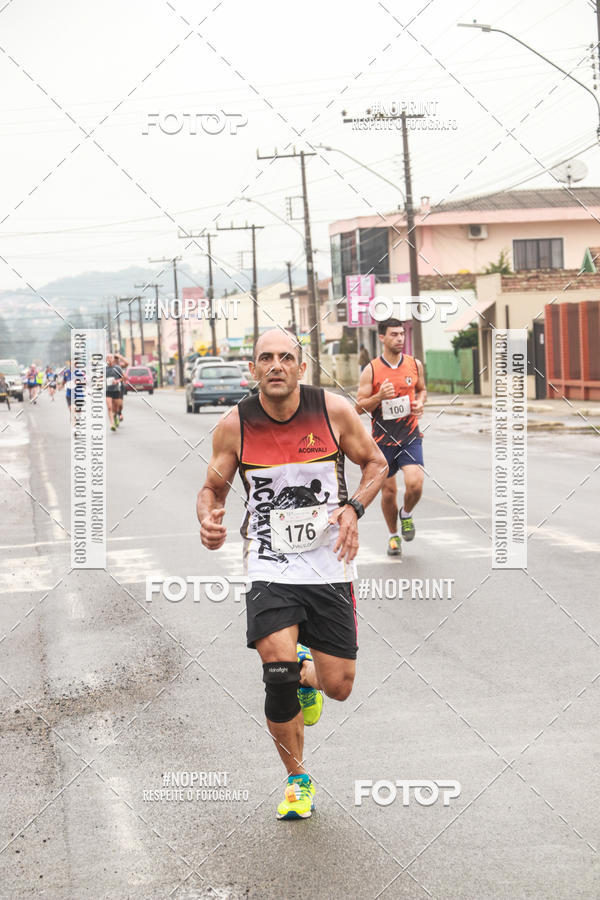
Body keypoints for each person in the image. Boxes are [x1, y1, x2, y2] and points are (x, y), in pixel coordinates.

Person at [198, 328, 387, 821]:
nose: (276, 365)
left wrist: (354, 508)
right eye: (266, 358)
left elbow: (376, 463)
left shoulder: (333, 412)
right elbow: (212, 489)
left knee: (339, 685)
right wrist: (208, 517)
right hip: (269, 563)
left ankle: (309, 675)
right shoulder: (234, 426)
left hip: (328, 563)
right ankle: (297, 780)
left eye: (286, 357)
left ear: (302, 368)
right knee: (275, 673)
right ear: (253, 369)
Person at [355, 318, 427, 557]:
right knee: (388, 493)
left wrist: (420, 403)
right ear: (382, 338)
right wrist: (379, 397)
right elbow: (358, 408)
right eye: (394, 334)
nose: (399, 338)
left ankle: (406, 513)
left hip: (409, 436)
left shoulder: (414, 364)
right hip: (382, 442)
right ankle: (393, 535)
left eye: (401, 334)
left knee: (415, 483)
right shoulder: (372, 369)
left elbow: (422, 390)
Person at [105, 353, 124, 431]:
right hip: (107, 390)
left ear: (113, 359)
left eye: (110, 358)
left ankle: (115, 416)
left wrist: (117, 381)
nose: (109, 359)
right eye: (108, 358)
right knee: (109, 407)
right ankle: (112, 424)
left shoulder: (117, 368)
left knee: (116, 408)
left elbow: (123, 378)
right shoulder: (104, 369)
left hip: (116, 390)